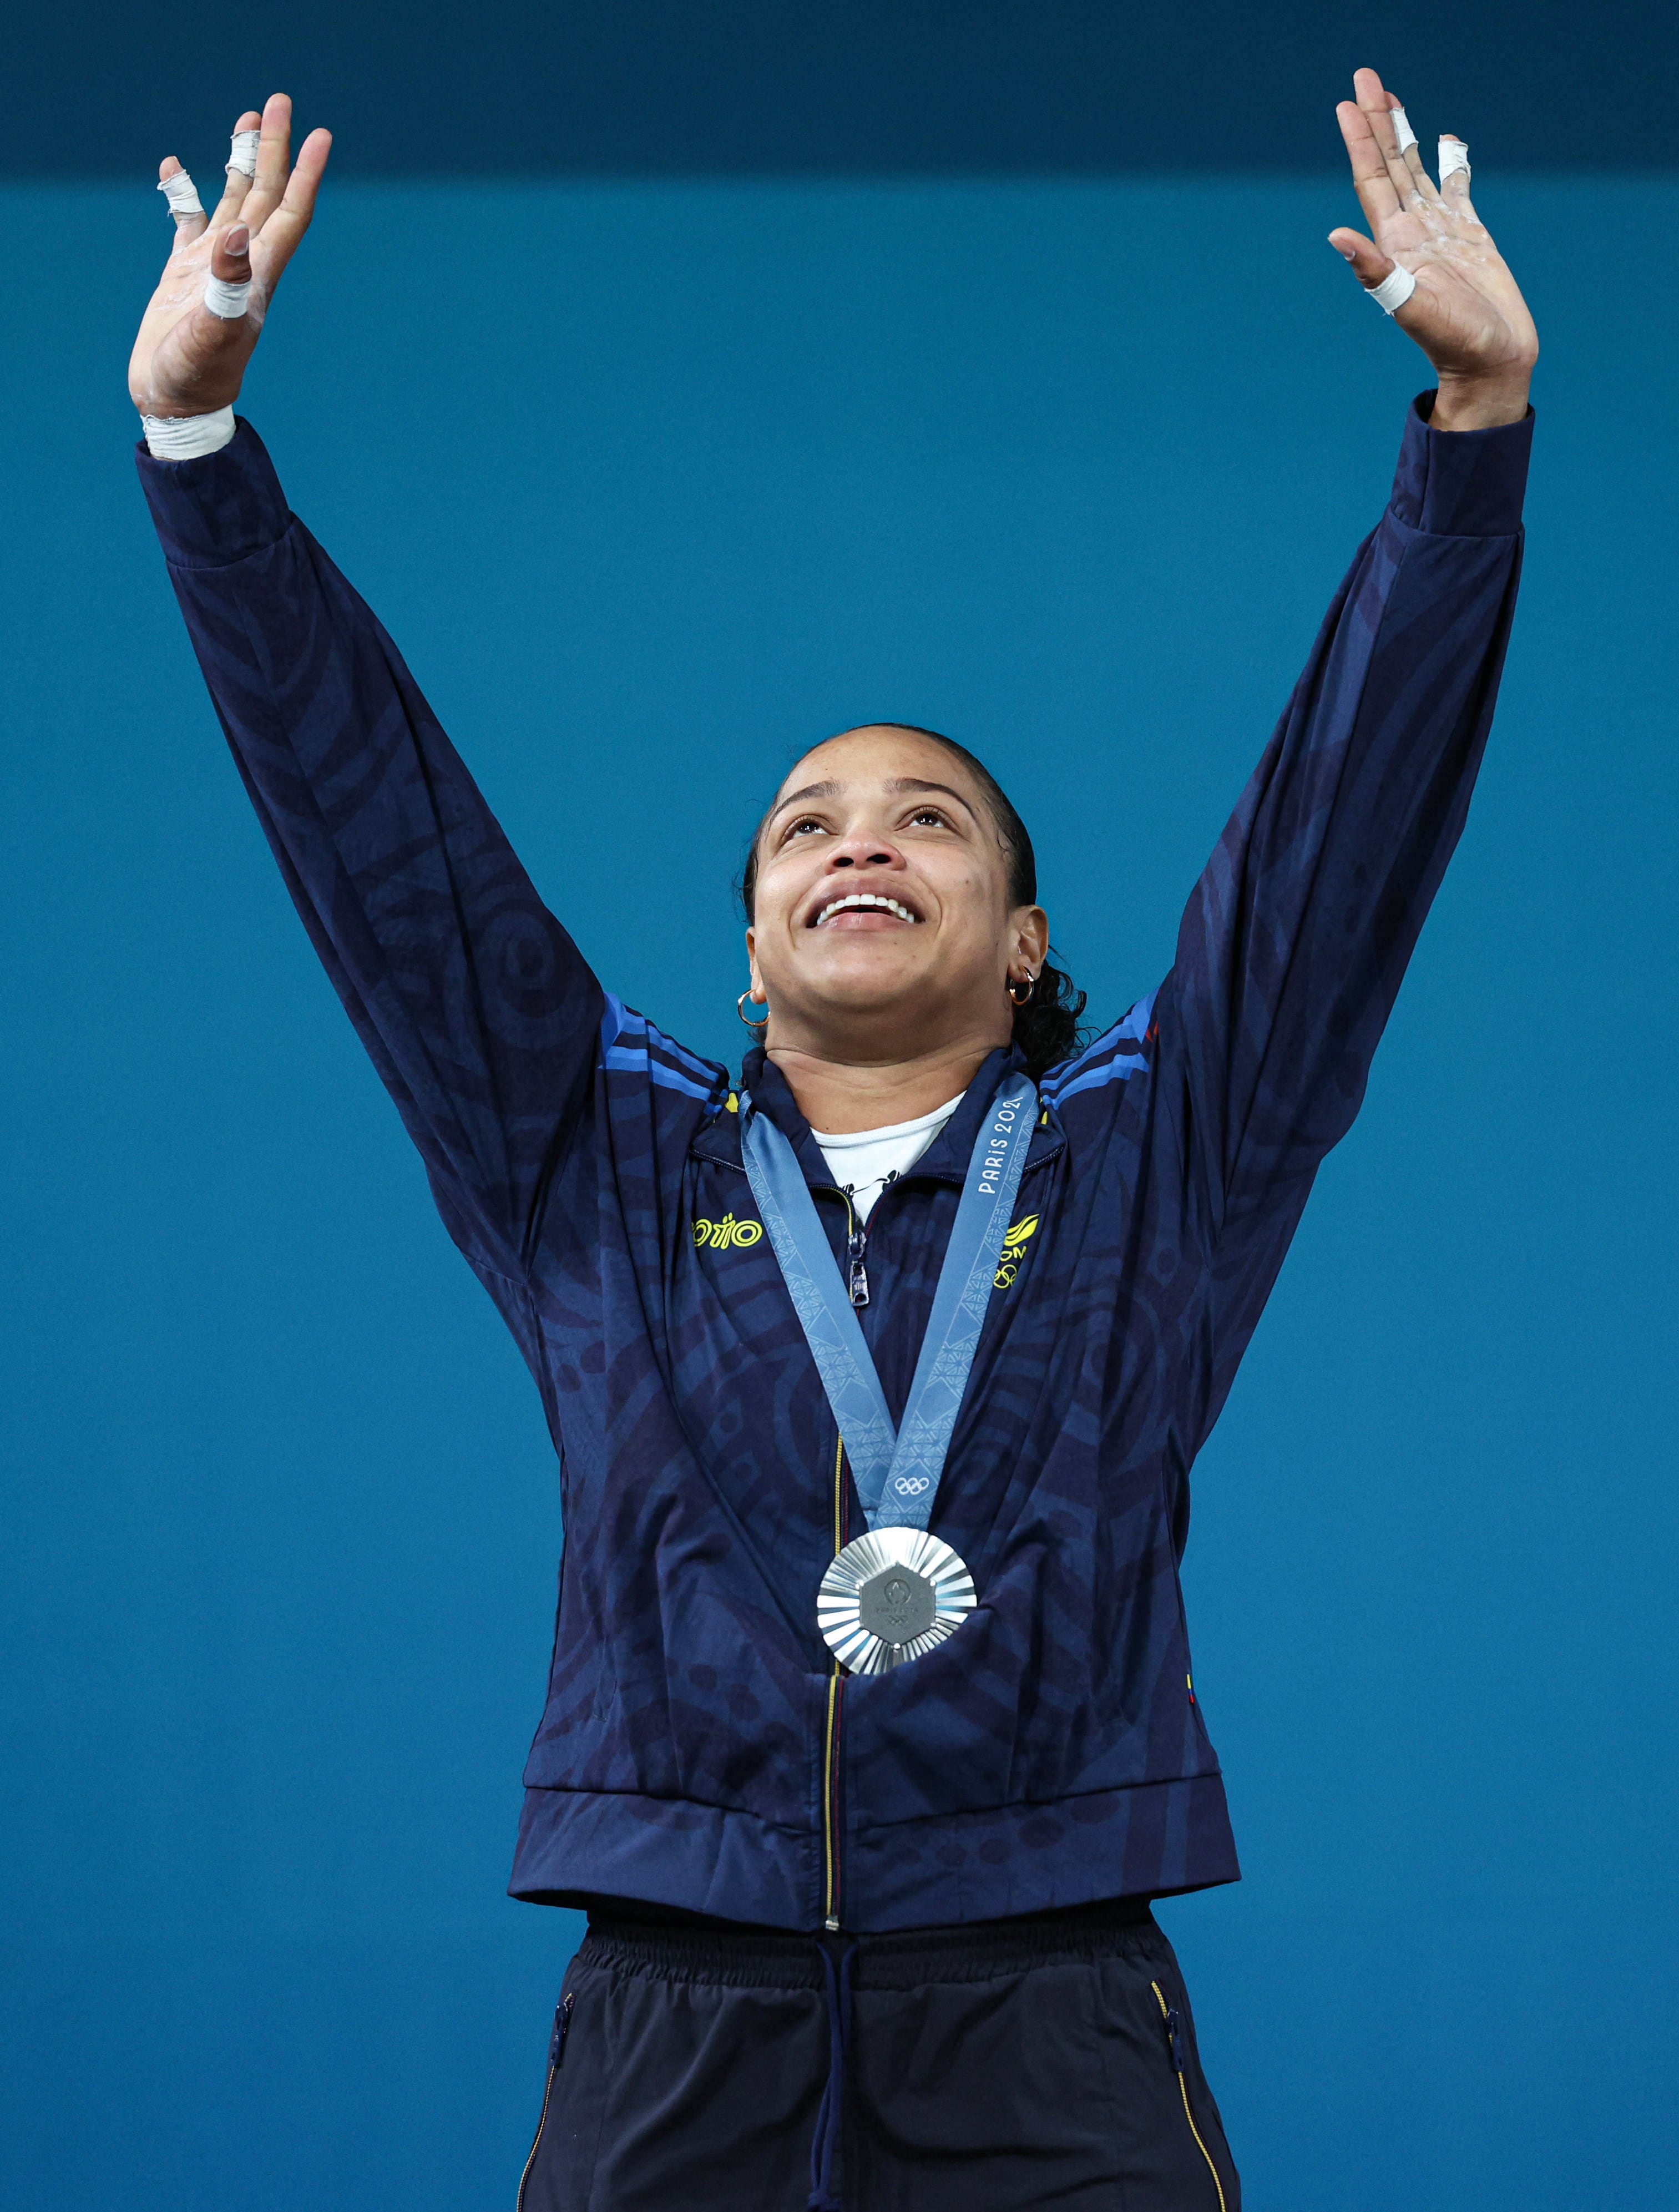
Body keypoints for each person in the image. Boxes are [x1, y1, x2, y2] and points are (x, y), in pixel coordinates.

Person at [127, 67, 1536, 2212]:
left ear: (1024, 930)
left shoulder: (1161, 1154)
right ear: (755, 928)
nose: (858, 839)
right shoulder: (586, 1154)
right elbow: (377, 835)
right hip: (672, 2007)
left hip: (1048, 1998)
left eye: (927, 818)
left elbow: (1338, 838)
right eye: (806, 824)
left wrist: (1468, 451)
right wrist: (200, 451)